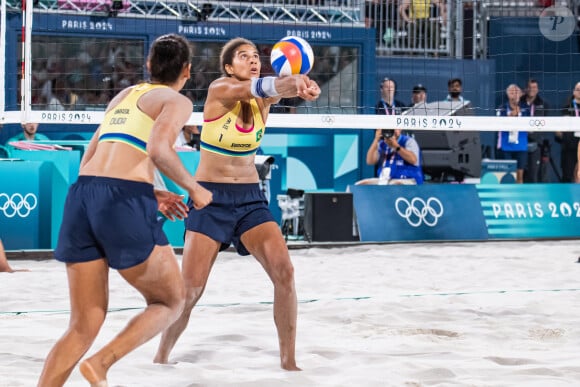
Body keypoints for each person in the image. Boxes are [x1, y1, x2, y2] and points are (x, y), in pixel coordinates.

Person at [37, 33, 213, 387]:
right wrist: (194, 189)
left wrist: (153, 190)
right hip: (121, 199)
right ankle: (100, 364)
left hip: (83, 195)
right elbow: (159, 150)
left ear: (148, 65)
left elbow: (91, 157)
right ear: (187, 71)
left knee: (84, 322)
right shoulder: (176, 101)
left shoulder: (123, 95)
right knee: (170, 300)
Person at [154, 37, 321, 371]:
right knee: (190, 292)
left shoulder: (265, 95)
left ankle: (289, 362)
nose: (253, 60)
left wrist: (304, 86)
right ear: (230, 67)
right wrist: (291, 81)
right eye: (244, 57)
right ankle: (161, 356)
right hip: (209, 198)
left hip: (249, 200)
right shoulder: (220, 89)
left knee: (285, 273)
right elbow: (267, 85)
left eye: (256, 57)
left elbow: (280, 88)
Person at [358, 128, 424, 185]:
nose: (393, 131)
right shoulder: (382, 144)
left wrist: (396, 146)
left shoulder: (408, 141)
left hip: (408, 179)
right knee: (360, 185)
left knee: (396, 185)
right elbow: (370, 161)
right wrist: (376, 140)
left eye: (395, 128)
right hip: (385, 180)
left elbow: (413, 160)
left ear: (400, 129)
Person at [496, 84, 530, 184]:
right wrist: (509, 117)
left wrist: (519, 116)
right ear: (507, 95)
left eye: (516, 92)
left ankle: (519, 197)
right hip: (506, 146)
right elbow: (498, 125)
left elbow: (530, 125)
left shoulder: (526, 108)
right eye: (512, 92)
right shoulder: (502, 108)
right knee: (507, 175)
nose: (514, 95)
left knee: (520, 176)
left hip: (521, 146)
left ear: (520, 94)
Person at [520, 79, 549, 183]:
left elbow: (545, 123)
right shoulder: (519, 102)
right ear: (526, 89)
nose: (532, 90)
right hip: (520, 142)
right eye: (530, 87)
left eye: (534, 88)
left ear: (537, 89)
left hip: (535, 143)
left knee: (533, 174)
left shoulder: (543, 104)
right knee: (520, 173)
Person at [555, 81, 580, 182]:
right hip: (570, 146)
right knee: (568, 175)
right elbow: (559, 129)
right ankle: (567, 197)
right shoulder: (567, 107)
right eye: (578, 90)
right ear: (574, 91)